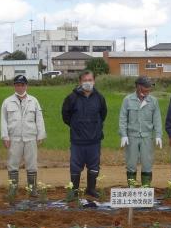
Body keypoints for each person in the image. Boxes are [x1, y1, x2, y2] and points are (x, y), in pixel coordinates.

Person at [62, 70, 108, 198]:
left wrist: (95, 127)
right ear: (80, 82)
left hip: (94, 140)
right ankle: (74, 191)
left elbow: (103, 114)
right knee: (75, 166)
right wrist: (76, 125)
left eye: (90, 80)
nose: (87, 83)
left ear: (94, 81)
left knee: (94, 166)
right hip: (77, 140)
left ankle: (91, 189)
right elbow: (66, 116)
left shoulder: (99, 97)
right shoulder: (71, 98)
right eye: (85, 80)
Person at [0, 74, 46, 193]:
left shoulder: (34, 101)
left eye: (22, 85)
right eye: (17, 85)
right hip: (14, 138)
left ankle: (32, 190)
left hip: (30, 137)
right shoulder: (7, 102)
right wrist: (5, 136)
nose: (20, 87)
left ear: (26, 86)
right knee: (13, 164)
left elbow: (39, 118)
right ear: (14, 86)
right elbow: (3, 120)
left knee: (31, 164)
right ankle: (13, 190)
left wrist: (41, 135)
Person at [119, 76, 162, 186]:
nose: (148, 90)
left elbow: (157, 119)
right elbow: (123, 118)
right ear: (138, 86)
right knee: (131, 163)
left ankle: (145, 189)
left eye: (149, 88)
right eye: (145, 87)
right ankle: (132, 188)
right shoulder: (128, 100)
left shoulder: (153, 101)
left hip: (147, 136)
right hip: (131, 136)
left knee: (147, 163)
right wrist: (123, 135)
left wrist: (158, 135)